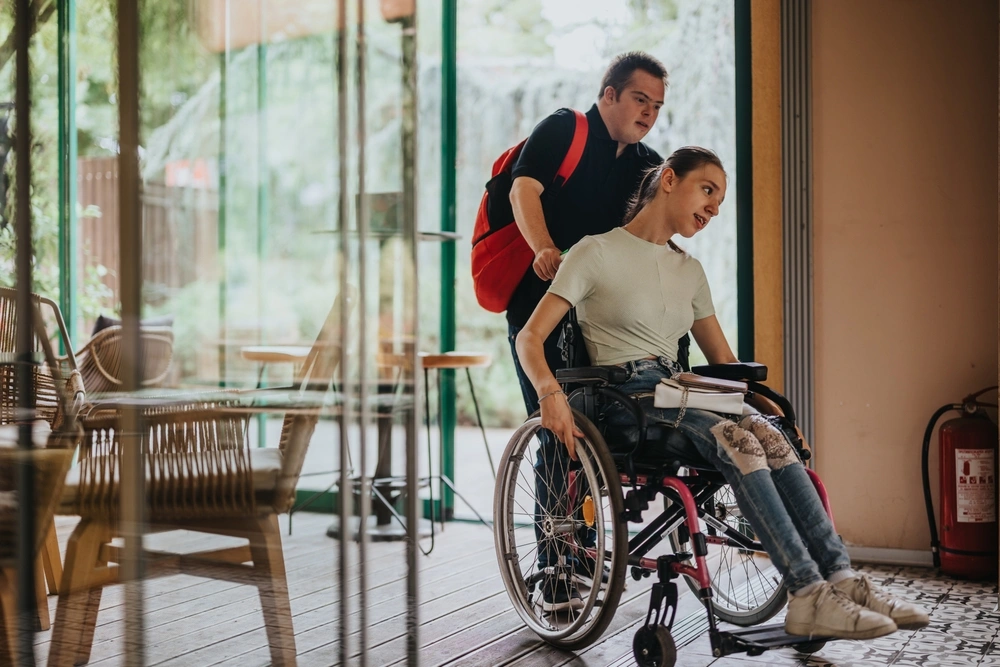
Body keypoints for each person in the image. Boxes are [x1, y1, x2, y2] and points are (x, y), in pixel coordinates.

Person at [514, 146, 931, 639]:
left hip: (680, 390)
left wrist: (766, 404)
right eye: (707, 191)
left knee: (770, 435)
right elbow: (530, 338)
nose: (713, 208)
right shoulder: (594, 252)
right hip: (623, 401)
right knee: (740, 440)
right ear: (668, 180)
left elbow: (724, 364)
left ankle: (840, 578)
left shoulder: (688, 270)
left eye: (720, 201)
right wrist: (548, 394)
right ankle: (808, 592)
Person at [506, 52, 667, 610]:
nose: (649, 113)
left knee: (597, 440)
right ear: (609, 95)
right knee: (556, 432)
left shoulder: (648, 161)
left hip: (599, 319)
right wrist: (544, 249)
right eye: (640, 99)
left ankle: (583, 552)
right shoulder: (562, 129)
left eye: (657, 105)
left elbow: (650, 233)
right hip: (540, 308)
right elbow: (521, 191)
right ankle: (554, 570)